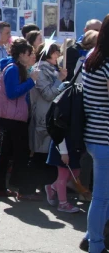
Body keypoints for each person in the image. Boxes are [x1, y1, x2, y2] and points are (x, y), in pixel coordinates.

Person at [0, 39, 40, 200]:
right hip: (10, 119)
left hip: (13, 118)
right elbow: (13, 93)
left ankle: (1, 187)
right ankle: (22, 189)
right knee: (18, 154)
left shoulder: (16, 68)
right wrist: (31, 81)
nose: (31, 55)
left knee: (6, 154)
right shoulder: (13, 69)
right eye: (29, 53)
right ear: (21, 55)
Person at [81, 14, 109, 252]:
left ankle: (92, 236)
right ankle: (96, 244)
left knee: (102, 195)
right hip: (105, 137)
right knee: (102, 197)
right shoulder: (107, 61)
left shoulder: (92, 57)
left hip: (94, 133)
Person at [29, 42, 67, 207]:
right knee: (41, 153)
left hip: (54, 116)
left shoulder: (55, 70)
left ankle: (47, 185)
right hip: (44, 116)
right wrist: (60, 81)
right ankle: (36, 185)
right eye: (56, 50)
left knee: (49, 153)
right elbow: (48, 94)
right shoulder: (40, 70)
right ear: (48, 53)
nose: (59, 53)